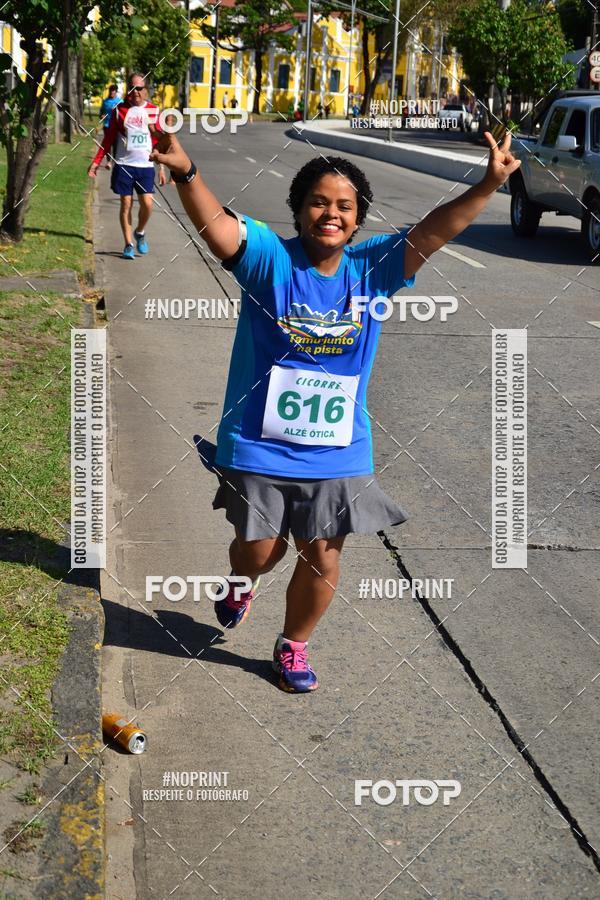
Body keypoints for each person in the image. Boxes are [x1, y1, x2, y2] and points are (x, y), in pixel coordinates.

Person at [150, 130, 520, 693]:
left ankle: (292, 647)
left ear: (357, 217)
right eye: (319, 202)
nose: (331, 213)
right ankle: (239, 582)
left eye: (344, 206)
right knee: (260, 549)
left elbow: (435, 231)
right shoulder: (271, 260)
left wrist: (488, 183)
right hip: (260, 440)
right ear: (299, 210)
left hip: (337, 447)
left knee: (323, 554)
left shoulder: (374, 268)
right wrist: (186, 172)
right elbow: (219, 231)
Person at [88, 73, 166, 259]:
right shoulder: (118, 110)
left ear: (146, 90)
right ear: (128, 90)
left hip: (146, 166)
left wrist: (162, 167)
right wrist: (96, 162)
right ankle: (128, 243)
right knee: (126, 204)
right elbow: (108, 140)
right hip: (124, 164)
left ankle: (139, 232)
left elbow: (160, 141)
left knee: (148, 204)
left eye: (139, 88)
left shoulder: (154, 111)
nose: (136, 92)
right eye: (132, 88)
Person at [99, 84, 122, 170]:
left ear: (116, 92)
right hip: (107, 125)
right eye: (111, 91)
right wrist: (101, 116)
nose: (112, 92)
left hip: (116, 127)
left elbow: (123, 114)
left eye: (113, 91)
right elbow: (101, 113)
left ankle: (113, 161)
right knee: (107, 145)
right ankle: (108, 162)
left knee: (115, 145)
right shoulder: (105, 101)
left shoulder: (120, 102)